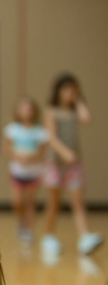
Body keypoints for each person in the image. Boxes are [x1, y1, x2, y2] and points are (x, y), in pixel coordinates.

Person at [42, 74, 102, 257]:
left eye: (74, 90)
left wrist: (78, 100)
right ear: (59, 91)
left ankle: (84, 237)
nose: (71, 93)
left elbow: (87, 118)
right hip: (55, 163)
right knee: (54, 202)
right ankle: (49, 237)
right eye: (68, 90)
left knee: (78, 202)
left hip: (73, 165)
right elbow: (51, 137)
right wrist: (64, 152)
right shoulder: (51, 111)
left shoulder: (74, 111)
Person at [3, 97, 49, 244]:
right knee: (17, 202)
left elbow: (42, 153)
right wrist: (17, 156)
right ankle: (22, 222)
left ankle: (29, 231)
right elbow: (7, 148)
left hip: (34, 172)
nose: (26, 111)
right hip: (17, 172)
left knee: (30, 203)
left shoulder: (40, 131)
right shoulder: (12, 129)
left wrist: (31, 157)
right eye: (23, 108)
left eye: (29, 108)